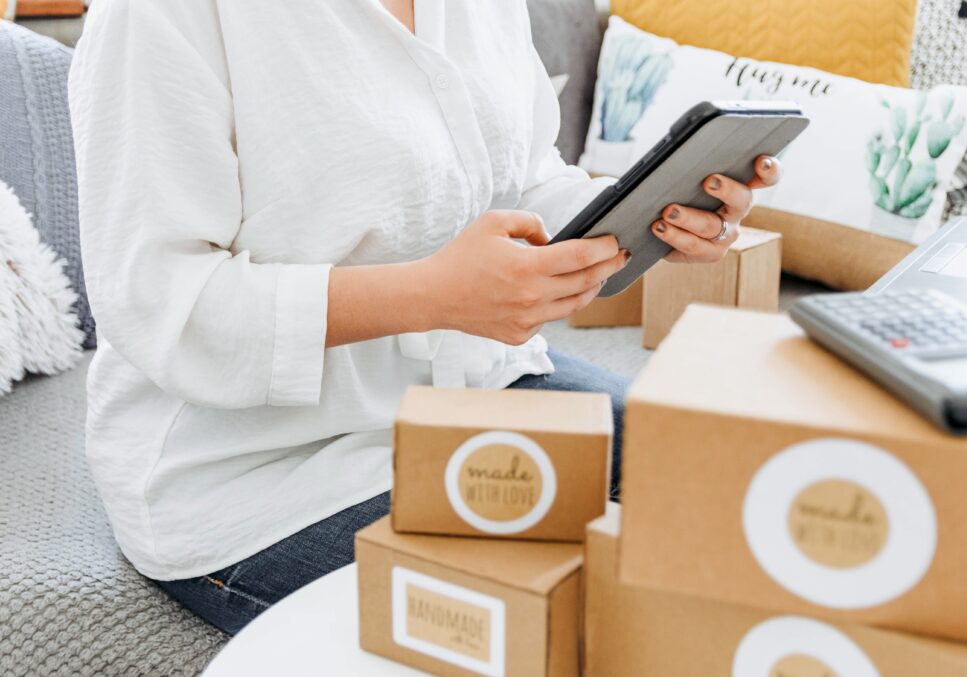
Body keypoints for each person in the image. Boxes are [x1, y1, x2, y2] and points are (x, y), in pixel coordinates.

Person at [69, 0, 781, 635]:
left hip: (476, 383)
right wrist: (433, 295)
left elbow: (524, 177)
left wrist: (651, 213)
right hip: (264, 474)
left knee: (739, 493)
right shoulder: (160, 14)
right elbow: (166, 304)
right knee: (603, 618)